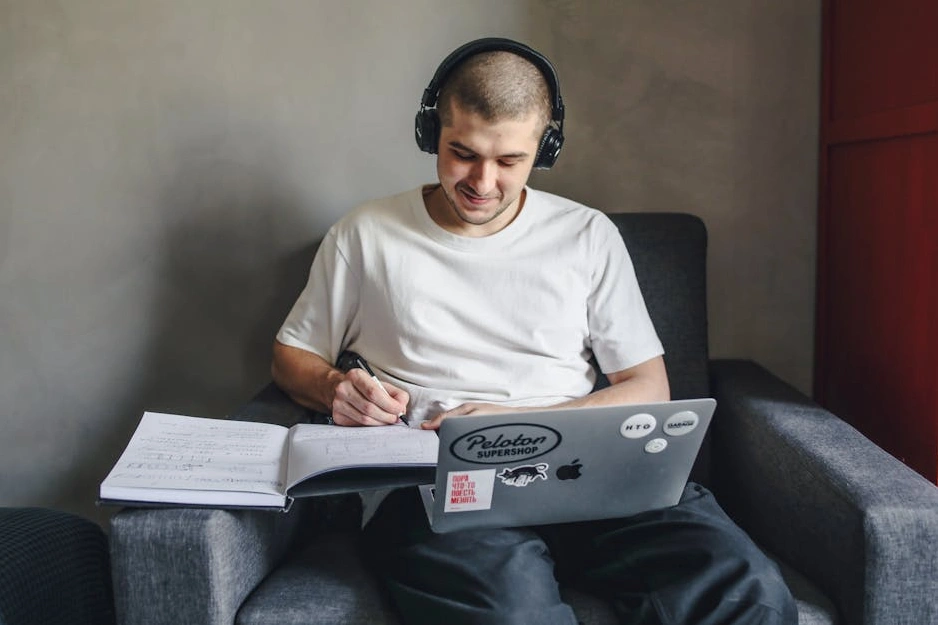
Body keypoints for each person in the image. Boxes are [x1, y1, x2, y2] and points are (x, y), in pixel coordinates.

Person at [272, 38, 796, 625]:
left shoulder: (587, 235)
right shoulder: (365, 234)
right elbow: (293, 354)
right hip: (445, 494)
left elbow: (648, 386)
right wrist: (334, 388)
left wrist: (522, 424)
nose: (482, 181)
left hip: (589, 478)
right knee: (512, 615)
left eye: (510, 161)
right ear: (430, 134)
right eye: (461, 153)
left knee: (748, 591)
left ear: (544, 148)